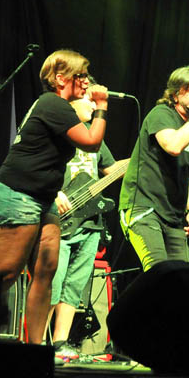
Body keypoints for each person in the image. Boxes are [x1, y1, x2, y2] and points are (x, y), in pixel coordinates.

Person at [0, 50, 108, 346]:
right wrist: (102, 107)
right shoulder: (52, 104)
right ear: (60, 79)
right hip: (17, 192)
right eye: (81, 76)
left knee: (45, 270)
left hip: (43, 197)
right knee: (7, 272)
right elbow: (92, 142)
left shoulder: (61, 108)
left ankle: (35, 348)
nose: (86, 82)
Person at [50, 96, 122, 362]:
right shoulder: (59, 131)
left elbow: (110, 170)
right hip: (59, 219)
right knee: (52, 283)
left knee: (74, 286)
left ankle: (59, 343)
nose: (93, 106)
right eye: (88, 101)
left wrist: (140, 159)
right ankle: (35, 342)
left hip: (90, 221)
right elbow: (38, 166)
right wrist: (53, 191)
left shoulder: (95, 136)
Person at [118, 66, 189, 271]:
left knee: (183, 278)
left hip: (174, 218)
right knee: (158, 272)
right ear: (175, 95)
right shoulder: (161, 114)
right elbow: (173, 146)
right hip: (144, 207)